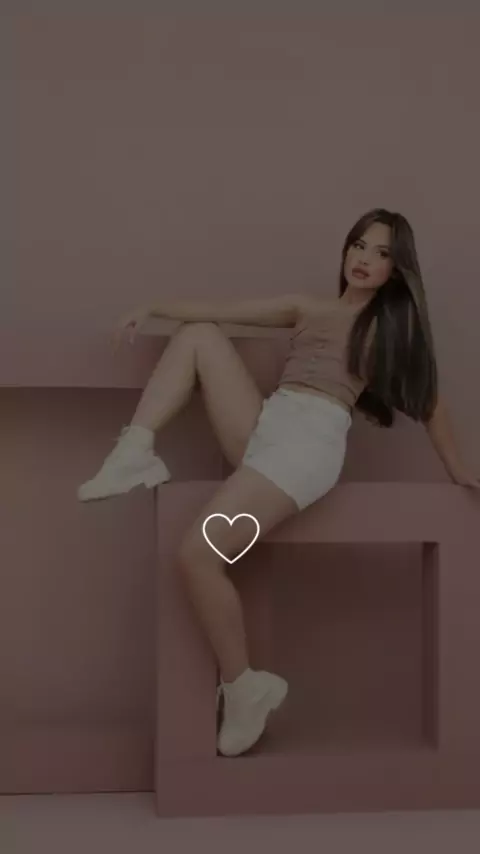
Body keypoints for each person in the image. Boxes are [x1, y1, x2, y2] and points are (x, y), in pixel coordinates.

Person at [77, 208, 479, 758]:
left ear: (396, 269)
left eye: (382, 253)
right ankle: (135, 450)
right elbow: (220, 311)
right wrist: (153, 308)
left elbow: (430, 403)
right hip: (266, 428)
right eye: (359, 246)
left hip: (303, 453)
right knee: (199, 336)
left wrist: (457, 469)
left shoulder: (386, 331)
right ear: (346, 250)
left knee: (198, 555)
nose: (365, 259)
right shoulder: (305, 307)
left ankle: (244, 686)